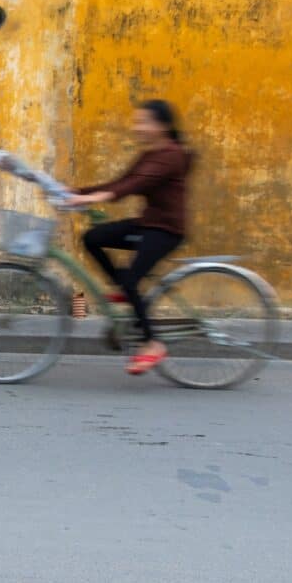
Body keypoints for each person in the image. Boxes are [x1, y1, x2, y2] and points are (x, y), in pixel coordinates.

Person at [63, 100, 193, 376]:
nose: (137, 127)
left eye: (143, 122)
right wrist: (75, 192)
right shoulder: (150, 154)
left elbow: (133, 186)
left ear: (162, 126)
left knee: (133, 280)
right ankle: (123, 289)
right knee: (93, 237)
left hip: (166, 230)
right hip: (148, 224)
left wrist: (89, 198)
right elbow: (118, 183)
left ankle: (152, 343)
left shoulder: (171, 155)